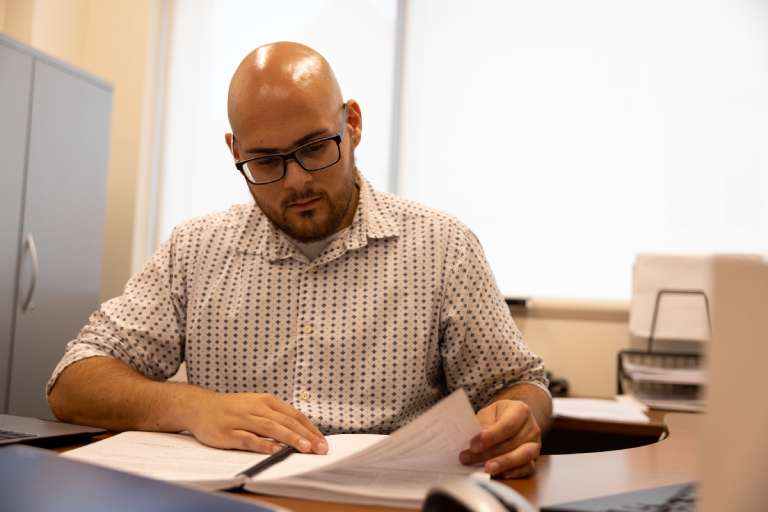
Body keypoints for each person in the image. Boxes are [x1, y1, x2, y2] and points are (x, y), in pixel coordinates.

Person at [48, 42, 552, 480]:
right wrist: (191, 405)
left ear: (351, 123)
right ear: (235, 150)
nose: (295, 181)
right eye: (266, 161)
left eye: (313, 148)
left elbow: (517, 384)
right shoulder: (195, 249)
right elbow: (72, 382)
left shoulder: (442, 247)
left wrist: (518, 415)